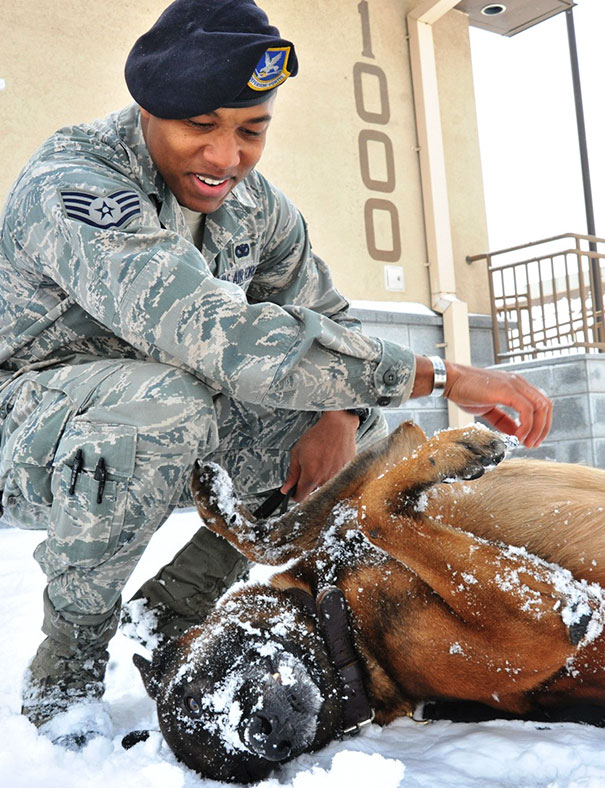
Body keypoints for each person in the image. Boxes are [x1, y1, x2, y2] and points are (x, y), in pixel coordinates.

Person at [0, 0, 552, 749]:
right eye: (201, 126)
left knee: (355, 425)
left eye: (251, 130)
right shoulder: (75, 185)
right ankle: (66, 669)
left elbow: (328, 321)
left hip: (170, 414)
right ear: (147, 109)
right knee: (168, 401)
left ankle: (175, 606)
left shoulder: (255, 209)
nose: (226, 158)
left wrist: (339, 417)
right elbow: (217, 335)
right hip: (34, 430)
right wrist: (442, 374)